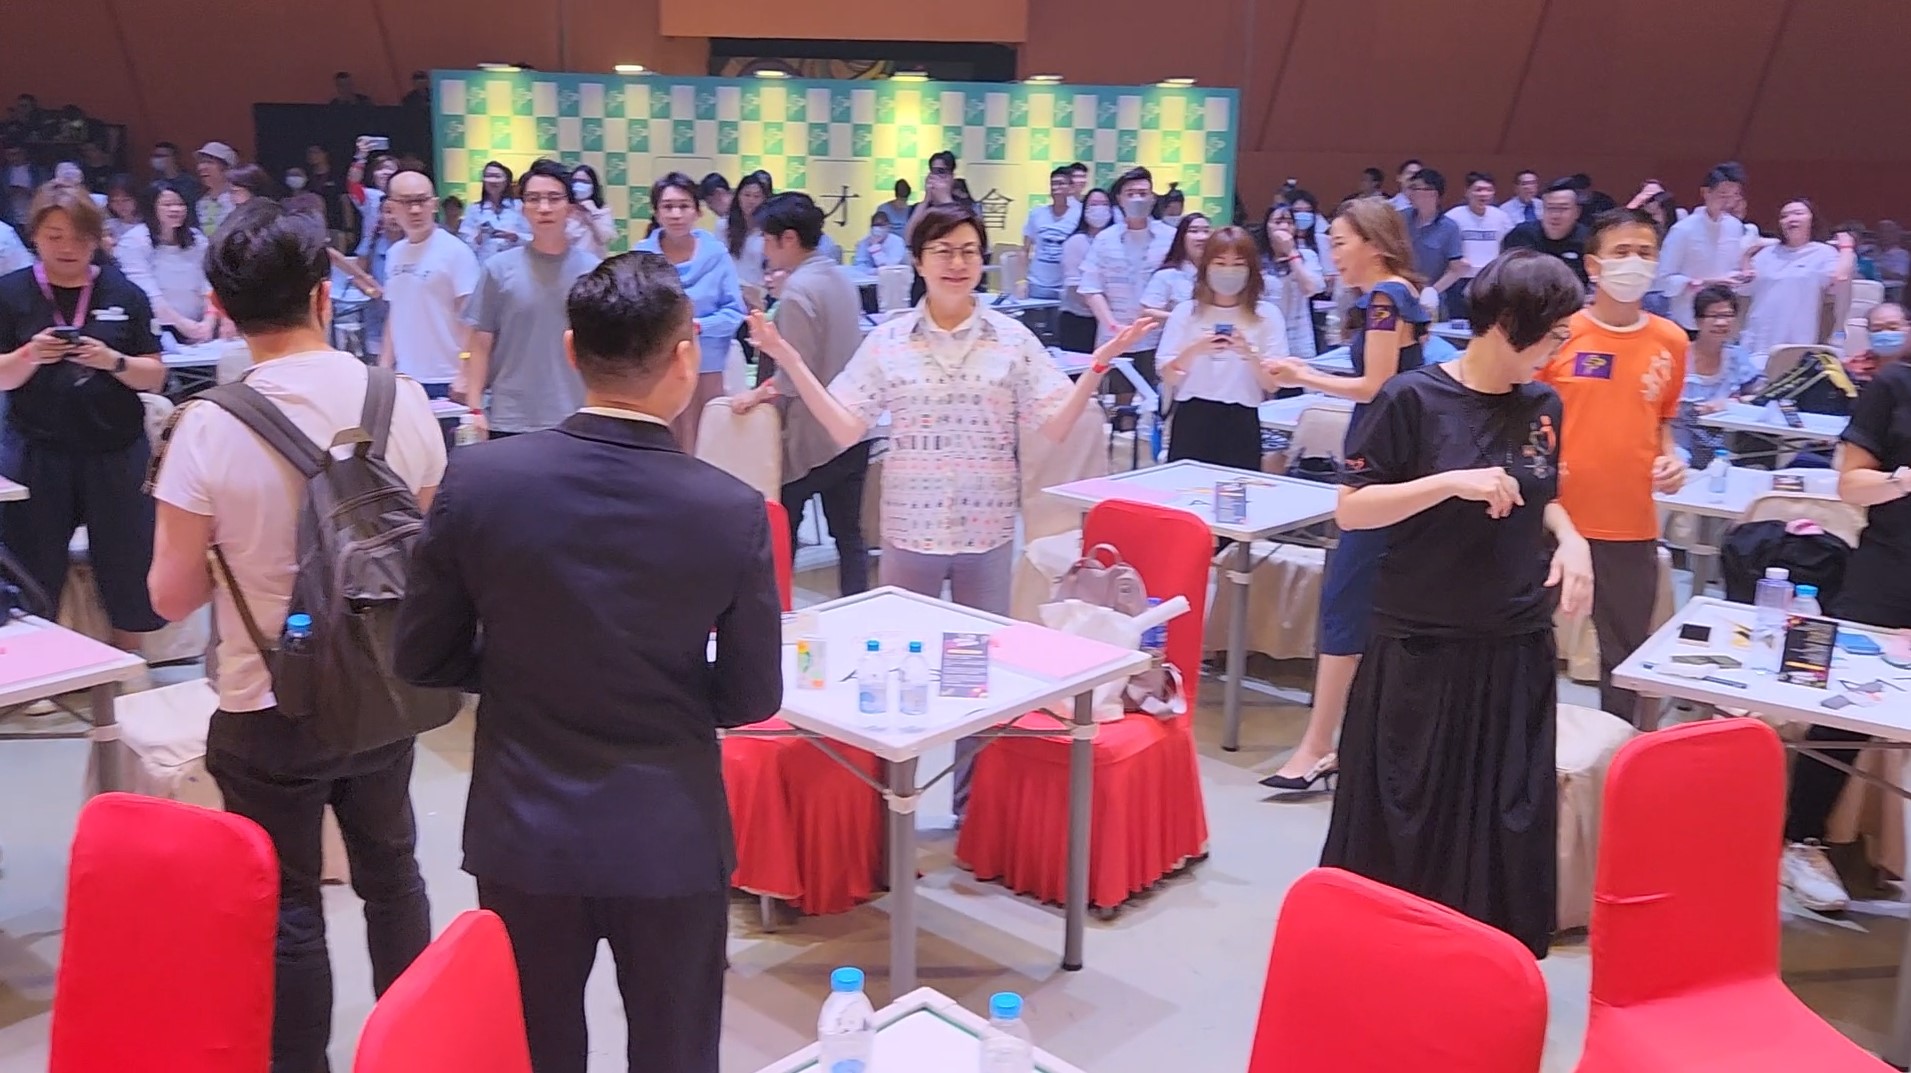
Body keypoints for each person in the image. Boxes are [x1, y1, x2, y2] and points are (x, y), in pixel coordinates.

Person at [394, 250, 780, 1073]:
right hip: (670, 830)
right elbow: (751, 695)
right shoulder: (731, 510)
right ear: (685, 357)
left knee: (537, 1052)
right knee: (675, 1054)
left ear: (571, 350)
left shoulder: (480, 480)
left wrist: (520, 663)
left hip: (524, 831)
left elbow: (422, 654)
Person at [146, 199, 442, 1072]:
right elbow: (426, 552)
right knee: (394, 876)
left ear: (221, 306)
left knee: (289, 909)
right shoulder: (400, 401)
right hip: (382, 688)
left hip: (267, 701)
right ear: (322, 292)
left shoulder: (206, 426)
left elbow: (168, 595)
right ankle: (414, 1051)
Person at [750, 202, 1156, 812]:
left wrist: (1098, 366)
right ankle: (894, 807)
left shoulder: (1010, 340)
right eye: (943, 251)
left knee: (973, 684)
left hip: (984, 534)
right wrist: (789, 360)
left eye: (968, 251)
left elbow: (1054, 424)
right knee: (896, 678)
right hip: (909, 534)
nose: (957, 263)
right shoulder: (889, 342)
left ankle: (970, 809)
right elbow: (843, 424)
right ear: (918, 261)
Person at [1321, 248, 1591, 957]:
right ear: (1507, 323)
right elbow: (1353, 509)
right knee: (1406, 816)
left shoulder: (1542, 405)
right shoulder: (1409, 399)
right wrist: (1450, 482)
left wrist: (1572, 539)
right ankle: (1394, 960)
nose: (1559, 347)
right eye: (1553, 332)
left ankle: (1486, 966)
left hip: (1514, 643)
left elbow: (1542, 492)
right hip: (1422, 645)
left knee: (1505, 815)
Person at [1260, 197, 1430, 790]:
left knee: (1346, 600)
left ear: (1373, 244)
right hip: (1394, 458)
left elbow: (1375, 385)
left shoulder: (1385, 298)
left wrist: (1301, 375)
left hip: (1381, 463)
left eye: (1339, 242)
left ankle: (1318, 745)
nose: (1332, 253)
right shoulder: (1398, 296)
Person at [1537, 208, 1689, 727]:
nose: (1634, 262)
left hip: (1629, 523)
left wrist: (1672, 458)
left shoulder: (1672, 340)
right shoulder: (1560, 334)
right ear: (1593, 266)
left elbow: (1662, 418)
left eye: (1645, 252)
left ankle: (1627, 754)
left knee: (1627, 659)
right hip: (1552, 518)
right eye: (1621, 252)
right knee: (1522, 638)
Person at [0, 184, 169, 649]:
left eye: (79, 237)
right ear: (35, 236)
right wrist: (31, 354)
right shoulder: (10, 294)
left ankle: (128, 672)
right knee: (32, 572)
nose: (67, 247)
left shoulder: (125, 293)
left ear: (96, 239)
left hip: (116, 450)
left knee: (129, 568)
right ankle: (38, 670)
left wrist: (113, 361)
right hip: (37, 450)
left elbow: (155, 376)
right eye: (54, 236)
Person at [1774, 341, 1911, 912]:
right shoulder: (1894, 387)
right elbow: (1850, 484)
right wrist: (1902, 481)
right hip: (1889, 569)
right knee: (1841, 710)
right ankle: (1800, 840)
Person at [730, 192, 872, 596]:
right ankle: (858, 613)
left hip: (811, 437)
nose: (763, 248)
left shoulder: (797, 292)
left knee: (782, 534)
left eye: (766, 238)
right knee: (850, 538)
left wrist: (753, 397)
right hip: (853, 426)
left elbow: (792, 377)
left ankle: (779, 617)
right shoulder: (839, 277)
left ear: (788, 238)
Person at [462, 159, 598, 440]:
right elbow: (480, 344)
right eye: (534, 199)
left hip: (576, 417)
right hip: (510, 418)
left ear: (571, 208)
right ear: (523, 208)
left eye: (554, 198)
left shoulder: (594, 271)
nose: (544, 208)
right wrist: (474, 409)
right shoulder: (498, 269)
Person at [1156, 225, 1288, 469]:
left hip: (1242, 420)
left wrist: (1248, 353)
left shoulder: (1267, 315)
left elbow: (1272, 384)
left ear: (1251, 270)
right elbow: (1168, 375)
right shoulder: (1186, 313)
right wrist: (1196, 348)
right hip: (1192, 418)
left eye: (1238, 264)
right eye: (1220, 263)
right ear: (1206, 267)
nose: (1229, 271)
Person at [635, 172, 748, 450]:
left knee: (706, 443)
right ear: (656, 212)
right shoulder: (641, 256)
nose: (676, 214)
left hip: (707, 365)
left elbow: (734, 312)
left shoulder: (716, 254)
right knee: (663, 444)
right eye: (668, 206)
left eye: (684, 206)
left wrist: (697, 326)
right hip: (659, 366)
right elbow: (635, 311)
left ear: (698, 211)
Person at [382, 170, 480, 397]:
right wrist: (384, 367)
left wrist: (465, 372)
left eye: (422, 200)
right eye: (406, 202)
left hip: (447, 378)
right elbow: (394, 313)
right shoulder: (394, 253)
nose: (415, 210)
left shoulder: (455, 252)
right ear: (391, 207)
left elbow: (472, 319)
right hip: (405, 377)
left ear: (434, 204)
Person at [1080, 166, 1175, 390]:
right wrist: (1113, 326)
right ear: (1120, 200)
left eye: (1143, 193)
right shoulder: (1105, 239)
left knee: (1157, 396)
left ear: (1153, 198)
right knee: (1118, 398)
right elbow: (1091, 288)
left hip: (1159, 337)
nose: (1137, 199)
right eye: (1131, 194)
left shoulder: (1171, 238)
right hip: (1115, 338)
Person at [1739, 199, 1856, 357]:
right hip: (1756, 337)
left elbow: (1841, 276)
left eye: (1798, 213)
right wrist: (1746, 256)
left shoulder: (1823, 253)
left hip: (1798, 340)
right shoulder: (1766, 253)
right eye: (1784, 216)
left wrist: (1846, 247)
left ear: (1812, 220)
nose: (1791, 219)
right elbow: (1744, 288)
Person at [117, 180, 219, 344]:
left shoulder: (197, 239)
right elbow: (148, 293)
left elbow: (210, 283)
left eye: (180, 204)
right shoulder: (133, 241)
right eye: (167, 205)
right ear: (152, 208)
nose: (175, 209)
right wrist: (183, 325)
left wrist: (209, 322)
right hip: (158, 330)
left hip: (202, 327)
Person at [1656, 162, 1750, 334]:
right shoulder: (1683, 229)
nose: (1728, 202)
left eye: (1734, 195)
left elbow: (1733, 267)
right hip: (1688, 317)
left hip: (1722, 316)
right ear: (1706, 192)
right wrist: (1706, 282)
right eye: (1723, 195)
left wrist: (1742, 275)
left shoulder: (1734, 226)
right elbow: (1664, 279)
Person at [1675, 285, 1762, 462]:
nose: (1721, 323)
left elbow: (1762, 393)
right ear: (1698, 320)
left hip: (1725, 444)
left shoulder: (1737, 356)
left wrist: (1732, 403)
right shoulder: (1677, 355)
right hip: (1678, 442)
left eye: (1728, 316)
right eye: (1714, 316)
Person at [1445, 172, 1515, 320]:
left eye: (1489, 190)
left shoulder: (1501, 217)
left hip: (1491, 280)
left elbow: (1509, 247)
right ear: (1467, 192)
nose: (1483, 194)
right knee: (1459, 321)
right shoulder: (1453, 216)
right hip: (1460, 280)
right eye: (1478, 190)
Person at [1259, 203, 1324, 359]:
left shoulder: (1307, 256)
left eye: (1289, 222)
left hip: (1299, 338)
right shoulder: (1256, 260)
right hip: (1266, 336)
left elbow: (1310, 289)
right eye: (1277, 222)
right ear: (1267, 227)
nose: (1284, 227)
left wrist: (1291, 252)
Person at [1502, 178, 1590, 289]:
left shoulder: (1588, 240)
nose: (1555, 215)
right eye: (1550, 208)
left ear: (1577, 212)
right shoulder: (1521, 235)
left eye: (1563, 208)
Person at [1401, 169, 1465, 319]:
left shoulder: (1449, 227)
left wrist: (1432, 291)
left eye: (1415, 188)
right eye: (1410, 188)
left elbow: (1456, 269)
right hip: (1401, 294)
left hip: (1430, 301)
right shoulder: (1400, 218)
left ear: (1433, 193)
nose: (1410, 194)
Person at [1057, 187, 1112, 354]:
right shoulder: (1076, 242)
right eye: (1094, 204)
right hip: (1080, 318)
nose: (1099, 208)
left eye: (1104, 204)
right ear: (1085, 210)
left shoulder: (1115, 240)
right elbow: (1076, 287)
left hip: (1109, 319)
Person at [1023, 165, 1082, 301]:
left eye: (1061, 184)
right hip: (1037, 284)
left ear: (1071, 188)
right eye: (1053, 184)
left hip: (1067, 286)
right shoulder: (1037, 213)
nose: (1056, 188)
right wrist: (1021, 280)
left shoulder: (1080, 214)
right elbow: (1024, 250)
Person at [1141, 213, 1211, 321]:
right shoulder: (1167, 275)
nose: (1202, 237)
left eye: (1206, 231)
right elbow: (1147, 312)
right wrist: (1180, 317)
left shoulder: (1217, 273)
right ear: (1181, 237)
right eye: (1194, 231)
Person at [461, 161, 529, 265]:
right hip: (485, 265)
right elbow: (464, 245)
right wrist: (478, 238)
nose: (493, 181)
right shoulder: (474, 209)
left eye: (497, 176)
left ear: (506, 181)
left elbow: (534, 238)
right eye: (488, 176)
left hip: (515, 264)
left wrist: (515, 237)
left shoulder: (520, 206)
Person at [722, 172, 771, 299]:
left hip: (760, 293)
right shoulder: (724, 225)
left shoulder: (769, 229)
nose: (751, 201)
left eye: (757, 196)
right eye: (747, 195)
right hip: (730, 290)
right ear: (738, 196)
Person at [1846, 301, 1908, 384]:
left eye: (1893, 328)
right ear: (1868, 332)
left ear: (1908, 328)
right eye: (1877, 330)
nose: (1885, 333)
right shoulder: (1854, 367)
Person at [565, 164, 616, 259]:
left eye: (584, 182)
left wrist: (592, 215)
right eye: (575, 181)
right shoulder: (564, 210)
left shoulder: (602, 211)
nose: (579, 185)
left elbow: (604, 239)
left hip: (595, 264)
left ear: (593, 186)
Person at [195, 141, 239, 235]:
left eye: (209, 162)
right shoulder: (201, 202)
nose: (201, 167)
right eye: (201, 162)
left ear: (227, 168)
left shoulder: (239, 199)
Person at [149, 141, 202, 207]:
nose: (157, 159)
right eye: (155, 156)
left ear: (174, 158)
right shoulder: (154, 183)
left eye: (161, 156)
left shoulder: (189, 183)